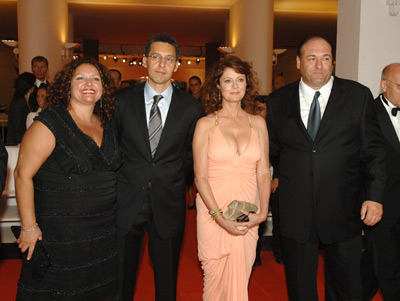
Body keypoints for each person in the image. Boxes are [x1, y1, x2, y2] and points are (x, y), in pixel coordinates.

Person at [266, 36, 386, 300]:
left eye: (326, 58)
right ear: (298, 62)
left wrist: (375, 196)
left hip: (344, 209)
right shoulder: (277, 101)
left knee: (348, 287)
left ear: (333, 61)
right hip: (295, 212)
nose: (319, 65)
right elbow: (271, 153)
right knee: (300, 289)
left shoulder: (358, 96)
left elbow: (374, 152)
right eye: (311, 58)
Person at [14, 56, 122, 300]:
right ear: (67, 85)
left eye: (95, 79)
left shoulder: (105, 123)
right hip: (60, 236)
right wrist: (29, 227)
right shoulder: (50, 122)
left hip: (102, 235)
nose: (89, 84)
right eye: (80, 78)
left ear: (103, 87)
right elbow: (22, 174)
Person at [113, 33, 203, 301]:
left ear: (176, 64)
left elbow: (191, 155)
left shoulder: (191, 107)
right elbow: (113, 146)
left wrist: (172, 176)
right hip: (127, 200)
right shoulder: (121, 101)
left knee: (167, 280)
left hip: (169, 200)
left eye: (169, 59)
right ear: (144, 60)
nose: (162, 64)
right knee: (121, 279)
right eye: (155, 57)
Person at [193, 55, 270, 301]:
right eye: (228, 81)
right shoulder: (206, 124)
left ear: (247, 84)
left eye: (240, 80)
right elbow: (200, 177)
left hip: (245, 210)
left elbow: (264, 171)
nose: (235, 86)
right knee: (214, 277)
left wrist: (263, 212)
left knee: (240, 274)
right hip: (213, 209)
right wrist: (218, 218)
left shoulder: (257, 124)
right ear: (218, 85)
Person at [361, 63, 400, 301]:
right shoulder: (368, 113)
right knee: (389, 266)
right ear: (384, 85)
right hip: (381, 204)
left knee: (374, 265)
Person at [187, 75, 203, 210]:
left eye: (196, 84)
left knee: (201, 170)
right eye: (191, 85)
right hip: (189, 139)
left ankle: (200, 196)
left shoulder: (206, 101)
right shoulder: (185, 101)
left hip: (203, 140)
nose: (194, 87)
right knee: (189, 172)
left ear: (200, 85)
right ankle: (191, 200)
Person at [6, 72, 35, 145]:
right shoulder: (19, 102)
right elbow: (17, 129)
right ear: (31, 87)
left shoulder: (24, 101)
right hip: (16, 144)